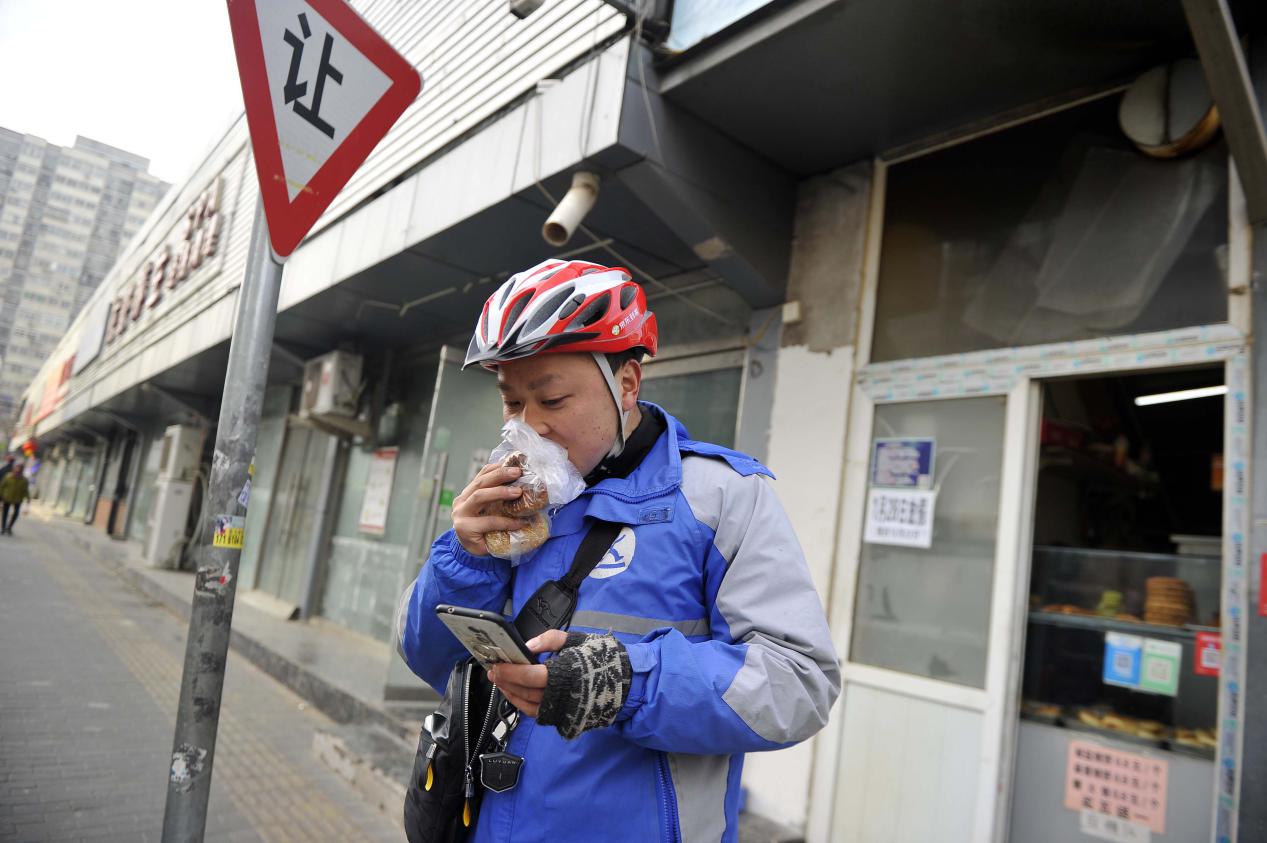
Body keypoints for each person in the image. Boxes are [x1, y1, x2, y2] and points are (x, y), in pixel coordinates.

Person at [396, 259, 839, 843]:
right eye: (511, 403)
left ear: (626, 384)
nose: (528, 428)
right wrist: (464, 558)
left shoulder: (721, 497)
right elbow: (430, 662)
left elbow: (799, 684)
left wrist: (623, 682)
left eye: (550, 400)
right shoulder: (516, 503)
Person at [1, 462, 31, 535]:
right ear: (14, 469)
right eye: (16, 468)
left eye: (19, 468)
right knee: (5, 513)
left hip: (18, 499)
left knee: (16, 513)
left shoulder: (24, 480)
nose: (18, 470)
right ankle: (3, 528)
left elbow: (25, 490)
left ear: (22, 470)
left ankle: (9, 527)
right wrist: (1, 496)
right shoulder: (8, 477)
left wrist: (28, 499)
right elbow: (2, 487)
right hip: (7, 497)